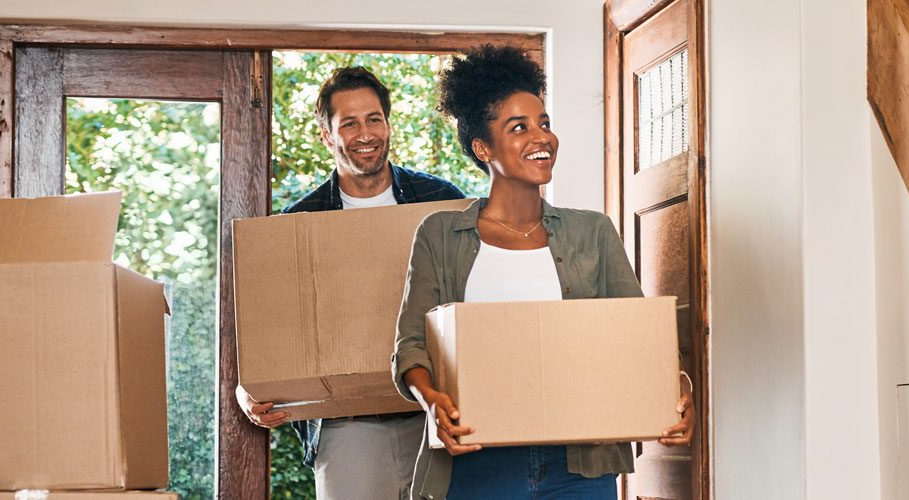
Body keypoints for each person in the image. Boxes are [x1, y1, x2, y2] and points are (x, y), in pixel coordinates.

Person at [390, 45, 694, 500]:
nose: (542, 138)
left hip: (580, 465)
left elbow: (639, 337)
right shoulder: (439, 235)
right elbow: (411, 345)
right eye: (519, 127)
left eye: (544, 123)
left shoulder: (592, 231)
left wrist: (677, 388)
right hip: (477, 461)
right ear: (482, 147)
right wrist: (432, 402)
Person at [235, 66, 465, 500]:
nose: (365, 134)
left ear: (388, 124)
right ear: (327, 136)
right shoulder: (299, 224)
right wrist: (252, 388)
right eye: (350, 123)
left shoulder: (441, 202)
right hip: (347, 425)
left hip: (432, 414)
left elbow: (473, 298)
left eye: (374, 119)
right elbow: (269, 326)